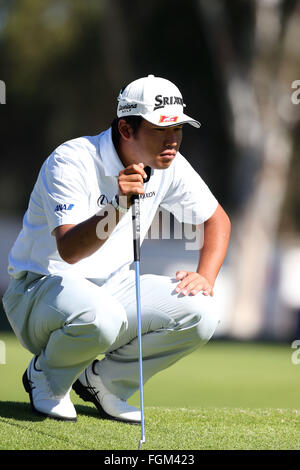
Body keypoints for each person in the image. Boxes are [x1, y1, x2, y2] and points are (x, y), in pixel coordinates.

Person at [2, 74, 231, 423]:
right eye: (161, 130)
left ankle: (105, 382)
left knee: (202, 312)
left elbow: (217, 220)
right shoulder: (71, 160)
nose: (173, 141)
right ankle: (46, 377)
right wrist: (119, 206)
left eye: (178, 129)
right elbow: (70, 251)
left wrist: (206, 276)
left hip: (112, 290)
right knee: (102, 316)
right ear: (126, 129)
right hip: (39, 291)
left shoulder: (169, 164)